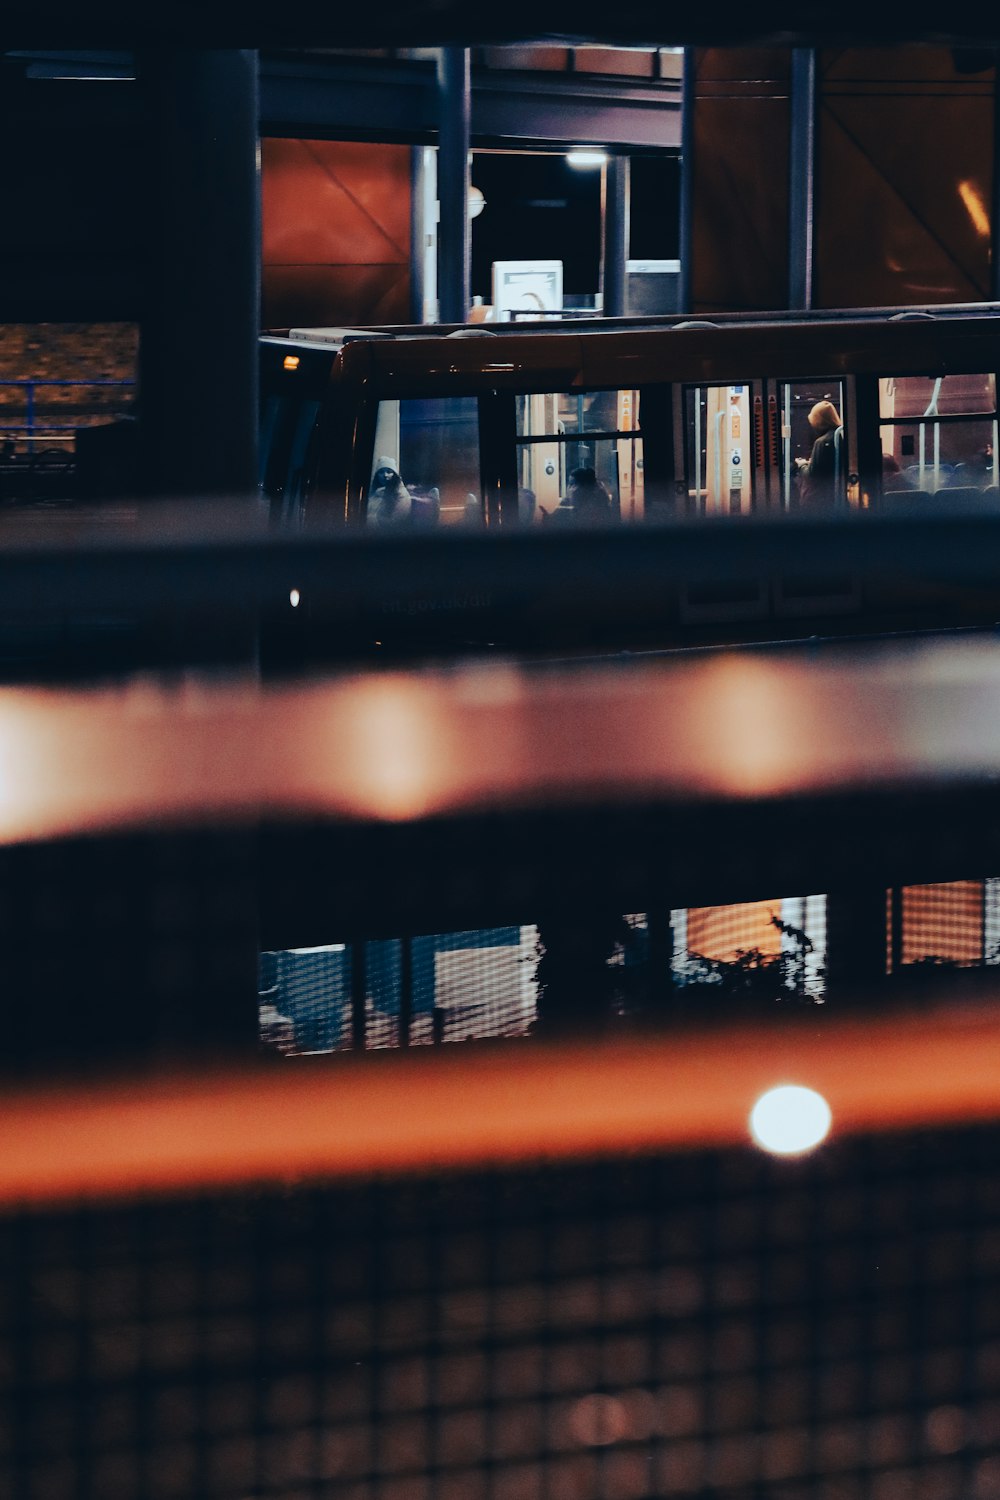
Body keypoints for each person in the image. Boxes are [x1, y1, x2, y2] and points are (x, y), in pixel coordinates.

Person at [796, 400, 843, 507]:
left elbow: (813, 474)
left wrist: (802, 465)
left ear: (818, 420)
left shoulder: (821, 442)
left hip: (819, 500)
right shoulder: (840, 436)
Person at [367, 456, 412, 525]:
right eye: (381, 472)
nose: (385, 475)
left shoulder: (401, 494)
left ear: (395, 475)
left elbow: (395, 522)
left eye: (389, 472)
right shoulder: (374, 492)